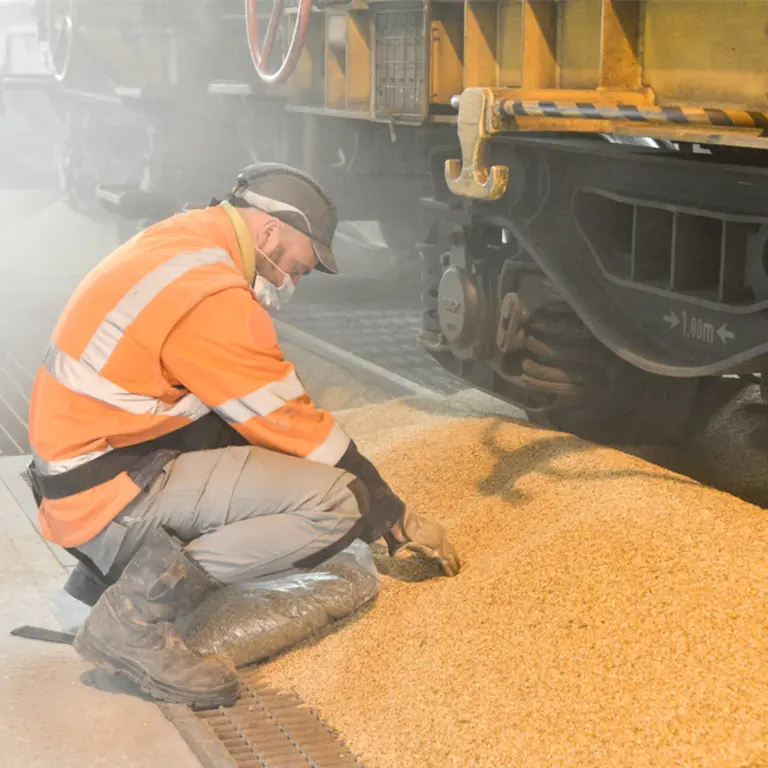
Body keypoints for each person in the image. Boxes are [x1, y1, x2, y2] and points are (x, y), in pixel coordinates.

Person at [26, 163, 460, 708]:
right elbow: (292, 424)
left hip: (80, 471)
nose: (292, 283)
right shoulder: (211, 295)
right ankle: (134, 618)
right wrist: (388, 511)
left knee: (242, 440)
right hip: (107, 493)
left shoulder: (181, 241)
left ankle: (95, 585)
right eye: (298, 268)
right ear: (270, 232)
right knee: (338, 500)